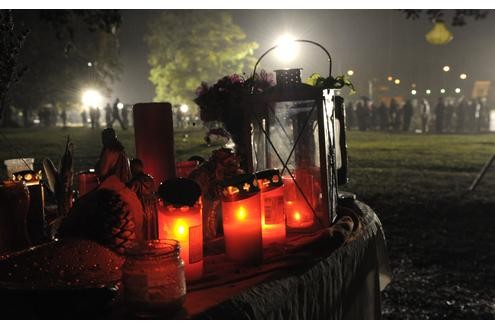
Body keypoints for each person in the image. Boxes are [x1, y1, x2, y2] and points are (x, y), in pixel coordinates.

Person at [127, 158, 157, 239]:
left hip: (141, 208)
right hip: (152, 209)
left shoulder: (135, 182)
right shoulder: (150, 179)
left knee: (142, 230)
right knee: (152, 229)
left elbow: (128, 195)